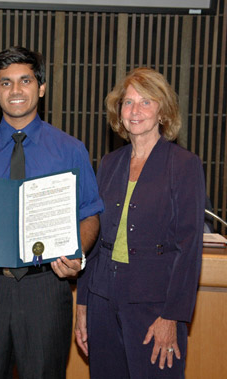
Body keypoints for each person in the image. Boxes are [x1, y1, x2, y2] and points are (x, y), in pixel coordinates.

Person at [0, 46, 103, 379]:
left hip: (45, 289)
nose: (16, 90)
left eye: (25, 81)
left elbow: (90, 213)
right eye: (5, 83)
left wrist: (75, 252)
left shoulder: (70, 150)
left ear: (42, 87)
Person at [75, 68, 205, 378]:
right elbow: (94, 235)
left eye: (146, 102)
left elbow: (188, 250)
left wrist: (171, 317)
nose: (135, 111)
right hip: (102, 301)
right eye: (128, 102)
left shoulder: (184, 165)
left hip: (154, 308)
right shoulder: (109, 163)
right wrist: (83, 306)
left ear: (163, 110)